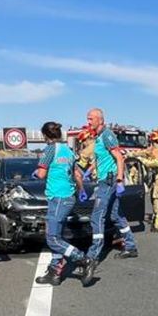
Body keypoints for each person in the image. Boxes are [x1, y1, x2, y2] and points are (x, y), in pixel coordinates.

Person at [34, 122, 94, 284]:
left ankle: (83, 259)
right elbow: (77, 174)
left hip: (57, 197)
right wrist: (81, 191)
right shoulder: (68, 150)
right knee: (57, 234)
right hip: (69, 196)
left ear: (45, 136)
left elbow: (40, 174)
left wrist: (35, 172)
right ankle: (54, 272)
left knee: (52, 238)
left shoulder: (49, 150)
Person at [85, 107, 138, 270]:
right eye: (87, 119)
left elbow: (119, 158)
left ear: (100, 120)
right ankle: (130, 246)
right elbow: (101, 158)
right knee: (116, 215)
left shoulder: (107, 135)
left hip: (108, 180)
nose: (88, 122)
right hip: (106, 178)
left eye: (91, 119)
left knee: (97, 216)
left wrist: (120, 179)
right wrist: (89, 170)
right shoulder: (99, 136)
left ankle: (92, 256)